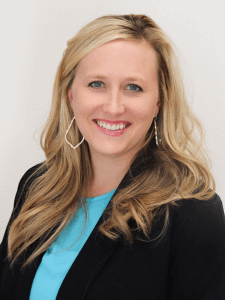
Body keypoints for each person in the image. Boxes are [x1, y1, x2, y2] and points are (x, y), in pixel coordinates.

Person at [0, 13, 225, 300]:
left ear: (158, 102)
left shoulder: (192, 215)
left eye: (134, 87)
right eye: (96, 84)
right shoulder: (38, 185)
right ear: (71, 96)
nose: (114, 107)